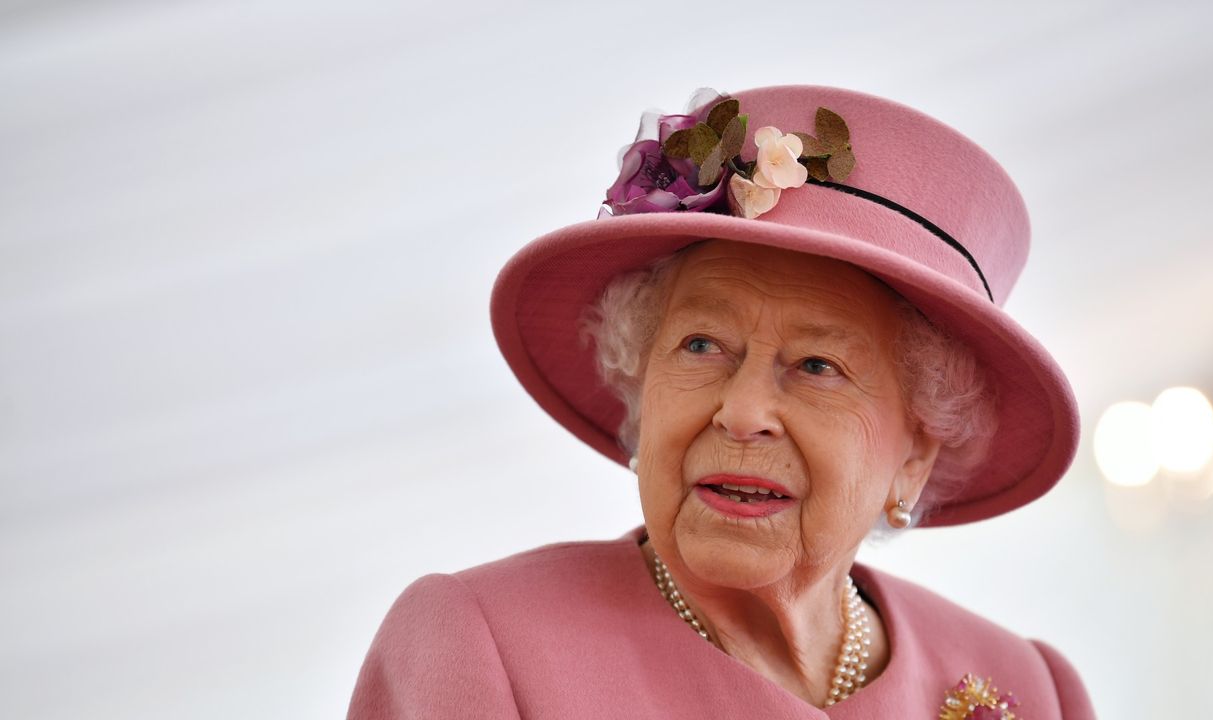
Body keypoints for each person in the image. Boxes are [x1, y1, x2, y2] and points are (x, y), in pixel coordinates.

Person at [346, 84, 1094, 719]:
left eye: (816, 365)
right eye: (701, 346)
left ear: (917, 452)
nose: (742, 412)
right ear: (641, 387)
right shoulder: (485, 646)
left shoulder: (1031, 689)